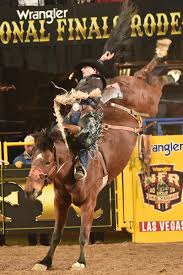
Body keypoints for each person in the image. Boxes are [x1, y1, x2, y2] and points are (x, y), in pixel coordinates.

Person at [56, 51, 114, 181]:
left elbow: (85, 93)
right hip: (75, 112)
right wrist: (100, 60)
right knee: (56, 130)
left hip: (88, 114)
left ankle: (81, 166)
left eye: (85, 67)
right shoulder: (85, 80)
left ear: (94, 70)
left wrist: (69, 97)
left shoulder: (97, 80)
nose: (82, 69)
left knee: (85, 139)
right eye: (82, 67)